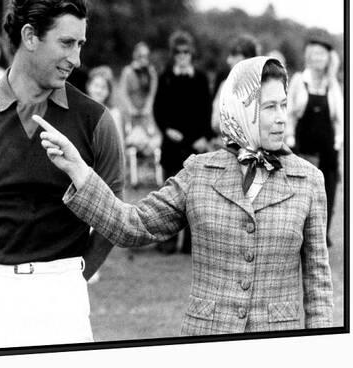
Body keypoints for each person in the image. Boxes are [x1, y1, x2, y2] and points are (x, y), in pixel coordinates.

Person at [34, 56, 333, 335]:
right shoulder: (199, 172)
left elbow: (318, 285)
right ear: (242, 107)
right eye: (269, 107)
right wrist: (80, 172)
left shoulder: (309, 180)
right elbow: (132, 226)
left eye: (283, 105)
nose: (281, 117)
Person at [0, 0, 124, 350]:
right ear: (29, 36)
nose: (77, 58)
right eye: (67, 43)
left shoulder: (97, 122)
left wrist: (69, 276)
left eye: (81, 44)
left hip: (63, 298)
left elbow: (112, 217)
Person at [153, 30, 212, 254]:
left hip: (195, 145)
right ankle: (167, 242)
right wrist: (167, 129)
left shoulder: (200, 77)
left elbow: (206, 108)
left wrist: (203, 137)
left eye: (186, 52)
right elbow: (158, 108)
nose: (182, 56)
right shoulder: (165, 76)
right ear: (173, 54)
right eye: (178, 52)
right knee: (169, 194)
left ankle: (190, 244)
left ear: (192, 53)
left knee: (193, 196)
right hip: (172, 144)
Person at [286, 29, 343, 246]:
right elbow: (289, 113)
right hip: (302, 150)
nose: (318, 58)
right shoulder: (300, 80)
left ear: (329, 58)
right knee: (301, 197)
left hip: (328, 150)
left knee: (327, 196)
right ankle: (298, 239)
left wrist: (337, 142)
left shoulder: (332, 84)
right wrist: (290, 138)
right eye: (314, 53)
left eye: (322, 54)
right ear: (308, 56)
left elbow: (340, 119)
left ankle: (320, 239)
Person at [118, 41, 162, 186]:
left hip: (146, 114)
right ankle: (131, 173)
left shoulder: (150, 71)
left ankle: (150, 172)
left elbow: (152, 92)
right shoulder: (128, 71)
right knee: (130, 138)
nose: (144, 58)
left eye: (146, 55)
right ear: (136, 55)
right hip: (131, 114)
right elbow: (123, 92)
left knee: (154, 138)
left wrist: (148, 107)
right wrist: (130, 108)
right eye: (141, 55)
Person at [211, 34, 260, 136]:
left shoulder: (263, 86)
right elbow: (215, 123)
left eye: (234, 55)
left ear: (248, 58)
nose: (228, 60)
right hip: (228, 147)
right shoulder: (225, 85)